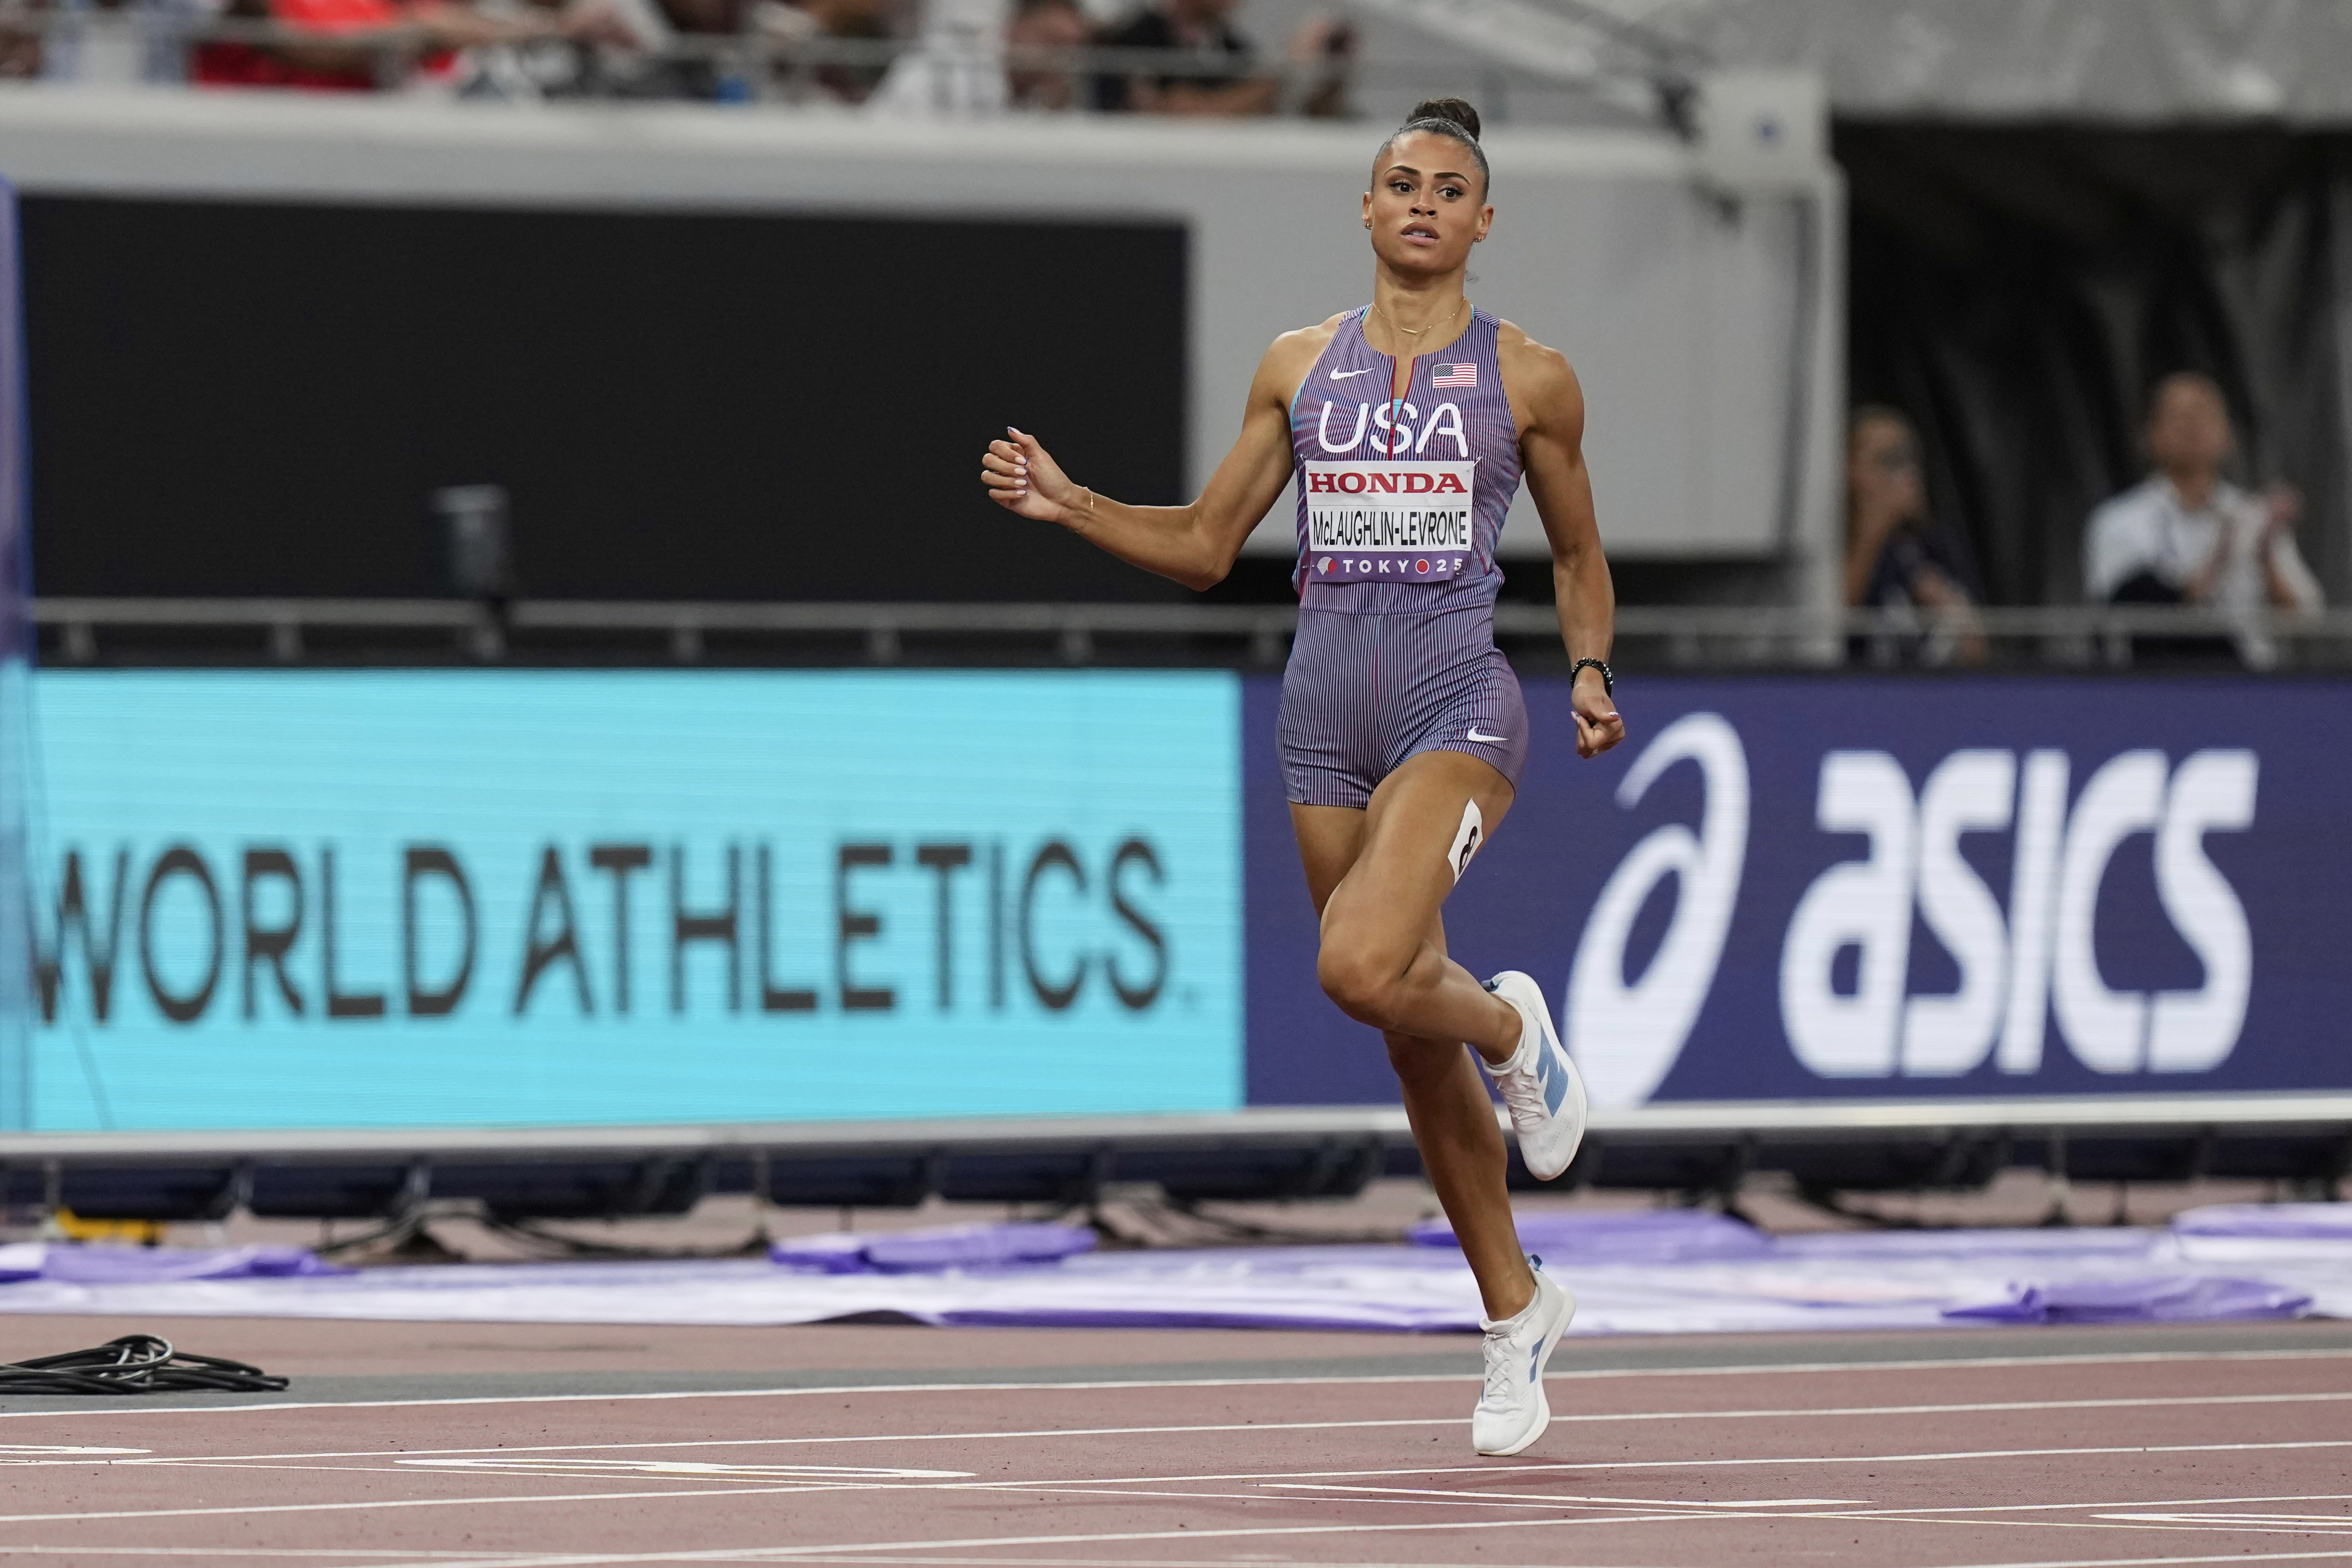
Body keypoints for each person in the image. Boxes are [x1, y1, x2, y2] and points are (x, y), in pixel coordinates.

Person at [979, 97, 1624, 1457]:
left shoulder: (1531, 379)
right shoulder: (1298, 366)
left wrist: (1586, 667)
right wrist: (1073, 502)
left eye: (1450, 187)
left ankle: (1513, 1032)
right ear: (1367, 206)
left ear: (1482, 222)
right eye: (1400, 182)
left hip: (1457, 694)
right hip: (1321, 714)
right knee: (1398, 1020)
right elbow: (1213, 545)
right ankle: (1517, 1312)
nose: (1423, 202)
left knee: (1356, 964)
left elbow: (1573, 554)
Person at [2083, 371, 2324, 668]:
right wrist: (2223, 552)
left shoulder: (2254, 516)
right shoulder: (2118, 520)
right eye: (2179, 417)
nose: (2193, 428)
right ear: (2148, 435)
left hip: (2252, 684)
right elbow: (2134, 611)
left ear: (2228, 433)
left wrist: (2265, 553)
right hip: (2155, 683)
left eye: (2205, 415)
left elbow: (2304, 620)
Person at [1842, 406, 1985, 666]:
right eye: (1890, 461)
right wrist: (1876, 527)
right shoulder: (1836, 541)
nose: (1908, 475)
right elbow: (1830, 625)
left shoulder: (1936, 547)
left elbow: (1978, 650)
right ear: (1850, 469)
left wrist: (1949, 604)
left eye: (1911, 461)